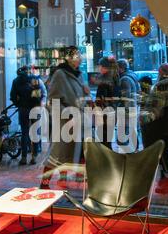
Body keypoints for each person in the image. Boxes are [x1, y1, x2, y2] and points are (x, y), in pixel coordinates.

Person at [40, 46, 92, 189]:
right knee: (56, 155)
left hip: (78, 122)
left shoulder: (79, 75)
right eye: (77, 56)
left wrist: (87, 95)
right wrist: (69, 115)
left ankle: (64, 183)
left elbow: (81, 98)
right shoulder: (60, 74)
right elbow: (52, 102)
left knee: (72, 155)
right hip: (65, 123)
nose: (80, 59)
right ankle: (44, 184)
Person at [141, 64, 168, 194]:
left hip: (160, 126)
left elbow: (157, 109)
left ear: (161, 72)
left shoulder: (162, 85)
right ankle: (166, 181)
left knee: (162, 154)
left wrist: (146, 118)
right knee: (164, 153)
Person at [10, 66, 43, 165]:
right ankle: (34, 157)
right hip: (34, 108)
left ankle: (23, 157)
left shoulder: (16, 81)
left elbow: (12, 96)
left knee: (24, 132)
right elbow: (38, 95)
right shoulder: (35, 79)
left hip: (23, 109)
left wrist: (19, 104)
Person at [95, 56, 120, 150]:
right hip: (112, 112)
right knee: (107, 139)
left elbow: (102, 99)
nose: (99, 68)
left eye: (100, 66)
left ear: (105, 67)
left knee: (104, 139)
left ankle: (106, 160)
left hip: (105, 113)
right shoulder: (115, 77)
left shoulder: (105, 80)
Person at [117, 59, 140, 149]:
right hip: (134, 107)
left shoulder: (124, 79)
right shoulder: (133, 76)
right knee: (133, 130)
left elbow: (125, 97)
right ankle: (135, 150)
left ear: (120, 68)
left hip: (126, 110)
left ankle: (125, 155)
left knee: (125, 132)